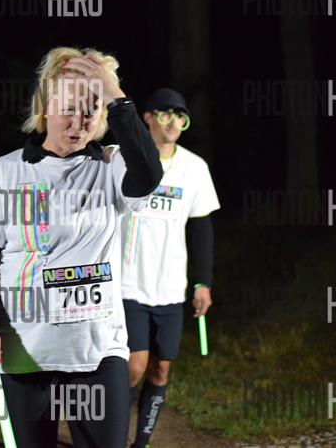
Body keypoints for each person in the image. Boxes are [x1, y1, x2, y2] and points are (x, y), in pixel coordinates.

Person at [0, 47, 162, 447]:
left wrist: (115, 95)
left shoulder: (111, 166)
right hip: (24, 351)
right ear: (45, 108)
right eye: (68, 108)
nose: (79, 122)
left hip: (97, 351)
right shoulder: (6, 171)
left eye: (91, 110)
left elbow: (149, 176)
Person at [121, 88, 220, 448]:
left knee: (160, 368)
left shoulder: (195, 168)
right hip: (128, 283)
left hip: (170, 287)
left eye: (180, 116)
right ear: (148, 118)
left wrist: (202, 283)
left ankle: (141, 442)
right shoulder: (125, 160)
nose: (173, 122)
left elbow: (202, 227)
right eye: (166, 114)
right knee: (134, 366)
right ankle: (108, 435)